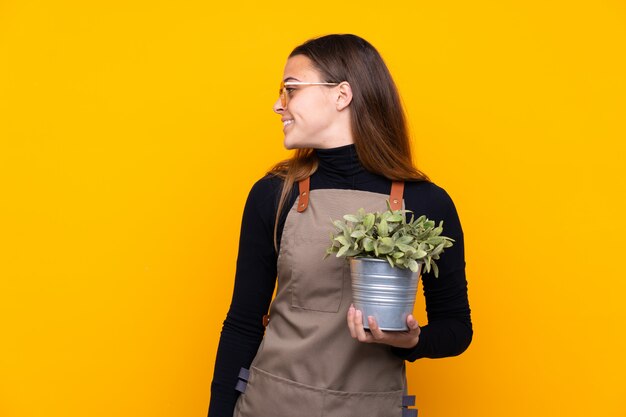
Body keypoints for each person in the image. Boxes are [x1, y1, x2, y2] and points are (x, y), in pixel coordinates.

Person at [208, 34, 472, 417]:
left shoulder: (427, 203)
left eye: (291, 90)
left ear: (341, 95)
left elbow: (456, 328)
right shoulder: (273, 195)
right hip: (269, 405)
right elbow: (243, 324)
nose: (277, 105)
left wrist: (411, 341)